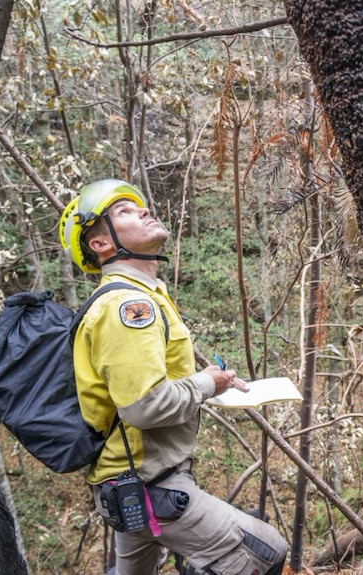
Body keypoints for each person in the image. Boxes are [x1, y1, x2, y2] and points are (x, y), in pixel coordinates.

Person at [59, 179, 287, 575]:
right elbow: (143, 406)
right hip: (150, 486)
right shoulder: (127, 306)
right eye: (123, 212)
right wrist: (205, 384)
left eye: (139, 206)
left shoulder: (143, 294)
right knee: (265, 551)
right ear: (100, 244)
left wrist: (206, 383)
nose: (143, 210)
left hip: (129, 483)